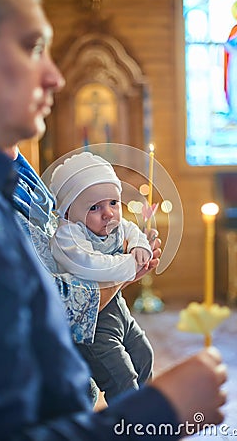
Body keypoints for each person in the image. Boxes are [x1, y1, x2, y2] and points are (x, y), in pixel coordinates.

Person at [0, 0, 228, 440]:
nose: (56, 78)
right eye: (32, 48)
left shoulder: (11, 177)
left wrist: (127, 259)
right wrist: (163, 410)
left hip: (75, 394)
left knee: (139, 357)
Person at [49, 151, 154, 402]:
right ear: (68, 212)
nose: (108, 213)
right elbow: (93, 266)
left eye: (113, 203)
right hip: (92, 326)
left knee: (144, 355)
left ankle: (146, 408)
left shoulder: (116, 226)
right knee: (121, 376)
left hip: (119, 311)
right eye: (94, 207)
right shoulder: (67, 238)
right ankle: (126, 426)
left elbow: (134, 232)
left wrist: (141, 246)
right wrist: (131, 264)